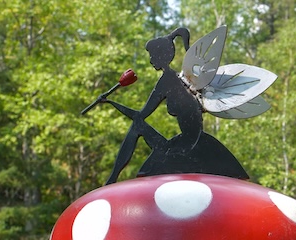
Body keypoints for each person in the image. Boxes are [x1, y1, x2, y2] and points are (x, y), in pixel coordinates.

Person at [102, 28, 247, 184]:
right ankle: (112, 178)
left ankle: (112, 178)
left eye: (153, 56)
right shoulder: (175, 79)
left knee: (137, 126)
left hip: (187, 145)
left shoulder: (167, 81)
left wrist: (111, 102)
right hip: (187, 140)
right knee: (137, 125)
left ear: (162, 56)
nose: (151, 60)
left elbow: (141, 115)